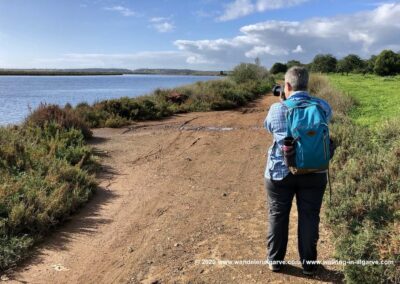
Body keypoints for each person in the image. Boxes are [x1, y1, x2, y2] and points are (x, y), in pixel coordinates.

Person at [263, 66, 332, 276]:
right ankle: (309, 265)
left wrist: (282, 102)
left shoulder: (277, 108)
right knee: (309, 216)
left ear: (287, 85)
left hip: (279, 173)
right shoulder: (321, 106)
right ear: (307, 85)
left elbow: (269, 127)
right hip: (314, 170)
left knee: (278, 215)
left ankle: (275, 261)